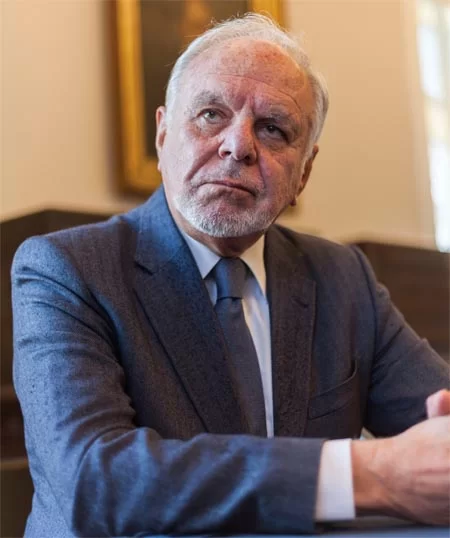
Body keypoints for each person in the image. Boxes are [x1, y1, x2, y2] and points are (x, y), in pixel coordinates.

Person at [12, 14, 449, 537]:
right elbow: (94, 480)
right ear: (163, 134)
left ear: (304, 172)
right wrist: (360, 473)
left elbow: (438, 420)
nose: (238, 145)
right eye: (211, 114)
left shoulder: (342, 277)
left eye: (273, 128)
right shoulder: (66, 269)